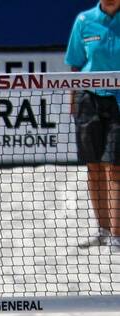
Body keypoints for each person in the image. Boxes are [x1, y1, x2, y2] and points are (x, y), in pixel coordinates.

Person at [67, 1, 120, 248]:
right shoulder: (84, 20)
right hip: (90, 99)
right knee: (94, 167)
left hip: (118, 101)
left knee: (115, 168)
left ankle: (117, 236)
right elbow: (76, 65)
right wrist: (74, 98)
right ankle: (103, 231)